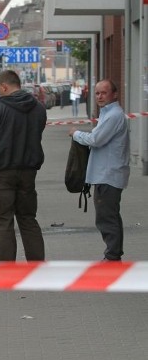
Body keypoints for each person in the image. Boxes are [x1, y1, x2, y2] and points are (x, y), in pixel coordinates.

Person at [0, 70, 47, 262]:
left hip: (2, 172)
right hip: (28, 172)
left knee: (3, 222)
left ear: (5, 86)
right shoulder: (38, 108)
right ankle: (37, 266)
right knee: (28, 219)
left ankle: (7, 270)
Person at [68, 79, 130, 261]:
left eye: (104, 93)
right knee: (109, 216)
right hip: (105, 173)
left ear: (115, 94)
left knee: (106, 217)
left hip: (109, 174)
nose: (100, 97)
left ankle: (112, 257)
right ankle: (113, 254)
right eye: (97, 93)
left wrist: (76, 134)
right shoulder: (107, 114)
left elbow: (96, 139)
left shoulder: (113, 115)